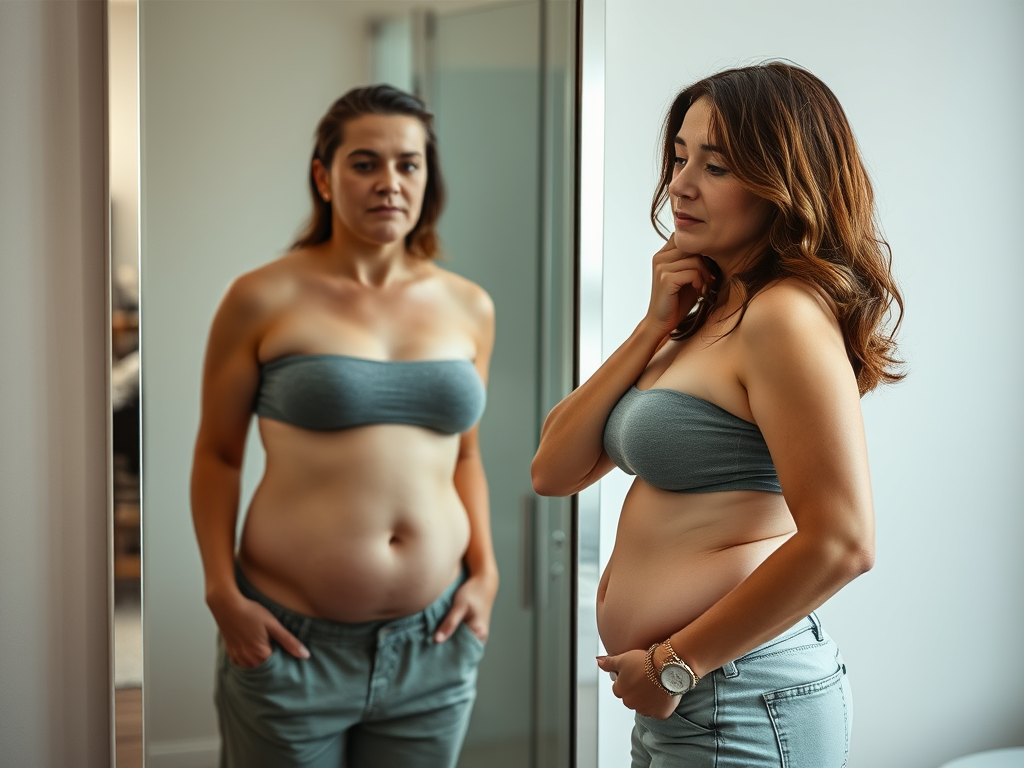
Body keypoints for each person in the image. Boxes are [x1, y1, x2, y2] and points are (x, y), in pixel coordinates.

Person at [532, 62, 903, 767]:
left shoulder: (784, 317)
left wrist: (679, 662)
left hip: (739, 691)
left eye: (717, 165)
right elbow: (554, 469)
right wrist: (651, 327)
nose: (680, 184)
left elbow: (845, 541)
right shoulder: (707, 310)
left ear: (782, 182)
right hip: (692, 694)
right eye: (679, 157)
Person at [190, 85, 497, 768]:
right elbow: (216, 455)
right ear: (324, 176)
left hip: (435, 644)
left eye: (408, 164)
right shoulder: (261, 297)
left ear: (427, 176)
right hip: (290, 645)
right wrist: (221, 591)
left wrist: (487, 574)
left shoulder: (468, 305)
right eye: (365, 163)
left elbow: (466, 457)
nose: (389, 182)